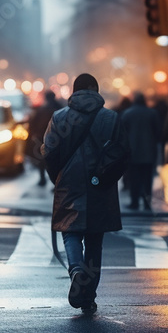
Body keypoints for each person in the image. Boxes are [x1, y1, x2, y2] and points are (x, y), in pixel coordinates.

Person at [41, 73, 124, 315]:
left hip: (70, 182)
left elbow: (49, 152)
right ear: (96, 91)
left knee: (71, 231)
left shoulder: (59, 117)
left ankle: (75, 270)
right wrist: (108, 177)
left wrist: (57, 177)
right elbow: (122, 153)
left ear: (74, 92)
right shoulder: (110, 118)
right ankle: (88, 297)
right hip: (101, 186)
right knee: (95, 240)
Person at [120, 91, 161, 210]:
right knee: (148, 179)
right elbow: (158, 132)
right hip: (149, 152)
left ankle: (134, 202)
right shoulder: (152, 113)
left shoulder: (127, 113)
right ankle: (147, 202)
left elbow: (122, 133)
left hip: (133, 152)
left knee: (134, 178)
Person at [27, 90, 63, 186]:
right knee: (56, 161)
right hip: (57, 138)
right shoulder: (60, 108)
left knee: (42, 160)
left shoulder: (42, 109)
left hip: (42, 138)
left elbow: (33, 124)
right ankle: (56, 182)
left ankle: (43, 179)